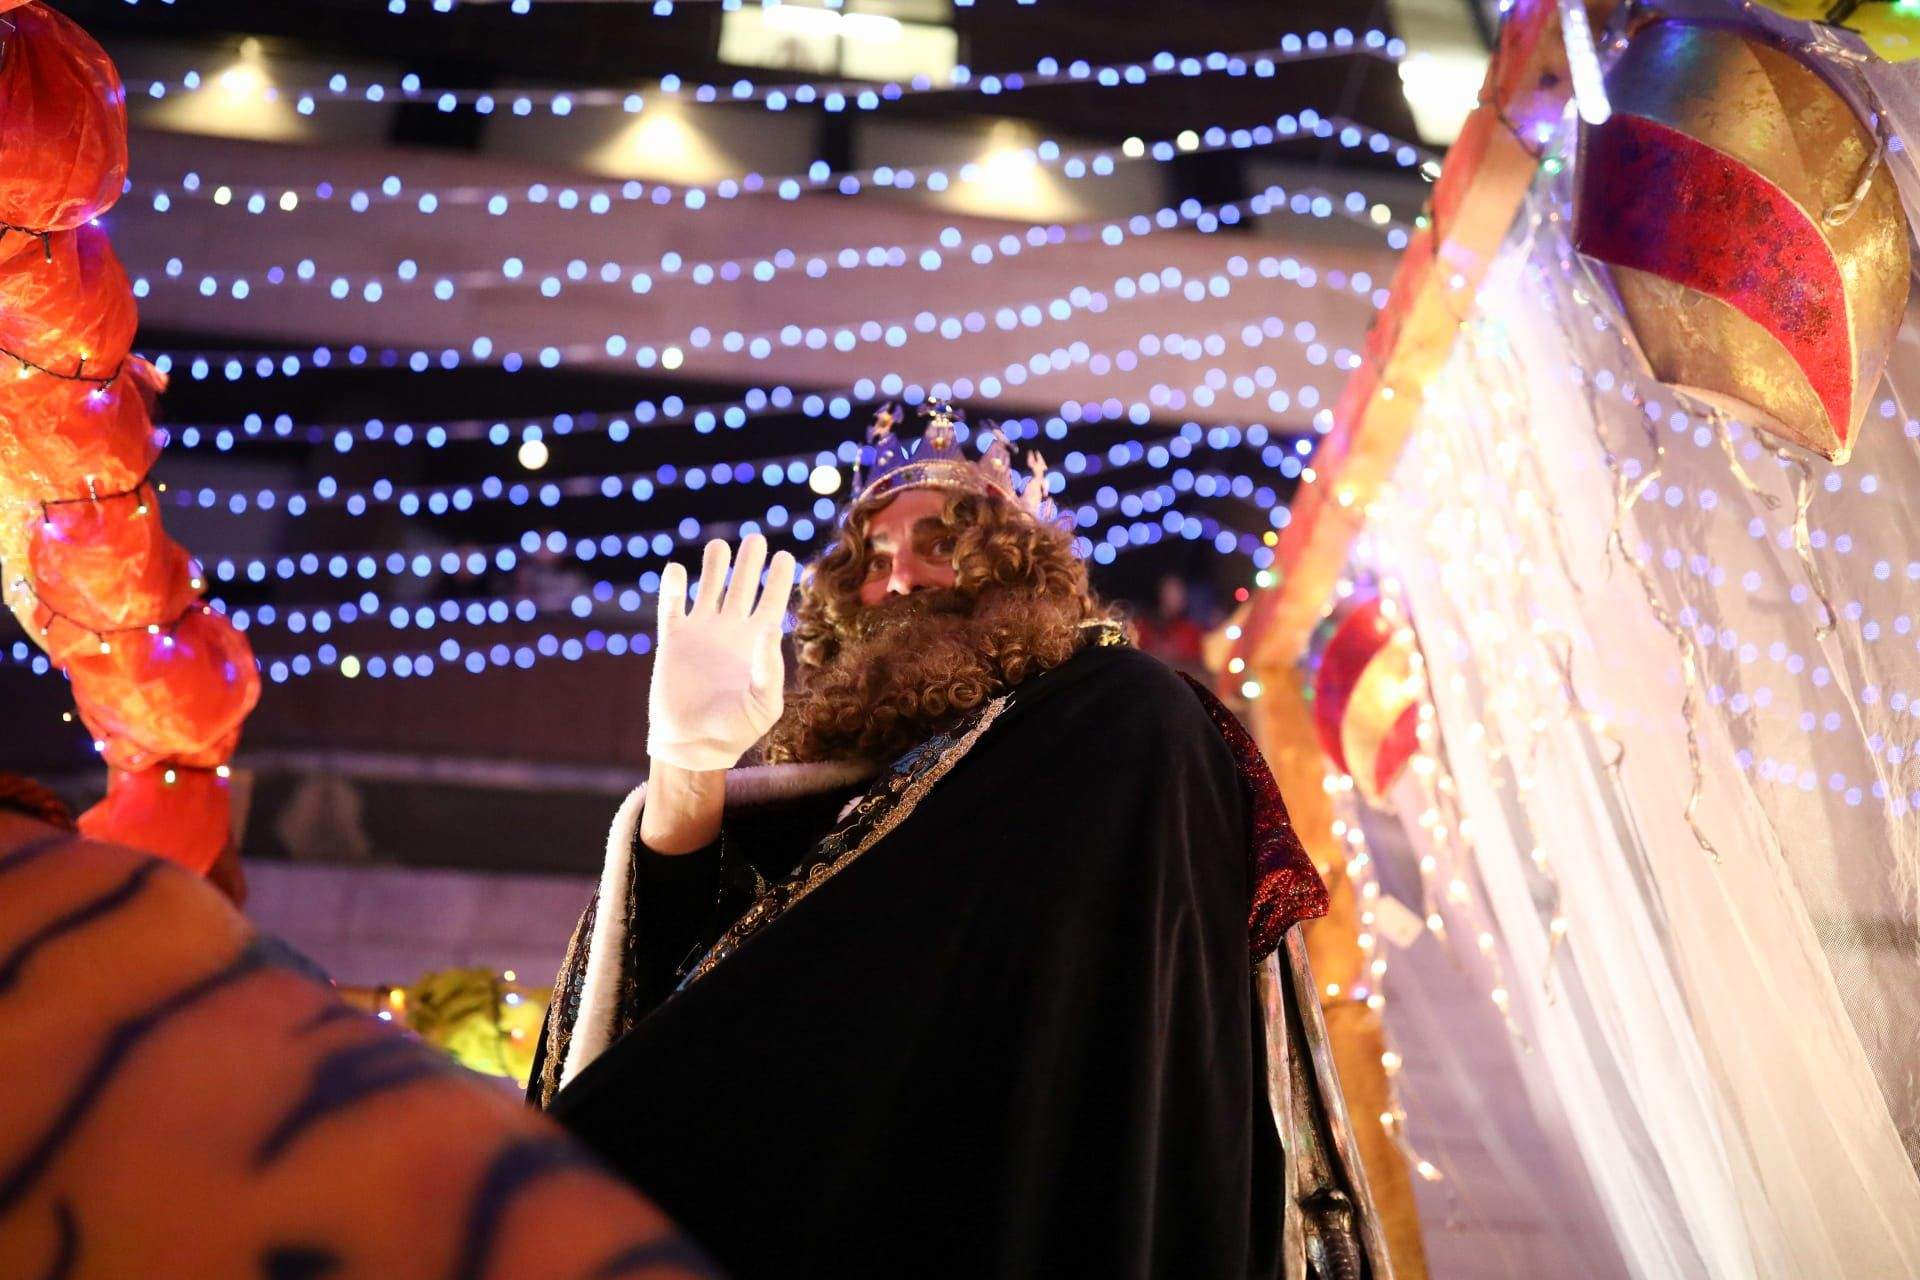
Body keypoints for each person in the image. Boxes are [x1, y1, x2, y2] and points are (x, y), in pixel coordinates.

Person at [530, 403, 1391, 1278]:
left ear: (1015, 575)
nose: (896, 580)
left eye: (939, 544)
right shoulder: (820, 806)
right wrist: (688, 764)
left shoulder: (1113, 719)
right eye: (871, 560)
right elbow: (695, 993)